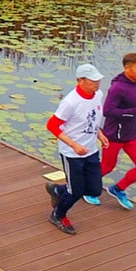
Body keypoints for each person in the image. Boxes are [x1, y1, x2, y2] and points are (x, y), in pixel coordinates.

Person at [45, 63, 110, 235]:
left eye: (98, 80)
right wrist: (73, 144)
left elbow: (92, 118)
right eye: (93, 81)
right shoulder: (70, 102)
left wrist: (99, 134)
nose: (97, 83)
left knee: (94, 190)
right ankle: (58, 215)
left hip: (91, 150)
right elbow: (52, 125)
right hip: (72, 153)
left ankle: (57, 190)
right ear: (80, 81)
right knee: (75, 191)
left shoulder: (98, 95)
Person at [101, 52, 136, 209]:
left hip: (131, 135)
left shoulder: (135, 81)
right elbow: (107, 111)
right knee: (106, 167)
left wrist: (134, 112)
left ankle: (118, 189)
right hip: (114, 135)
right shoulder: (117, 88)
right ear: (127, 68)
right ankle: (83, 188)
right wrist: (135, 111)